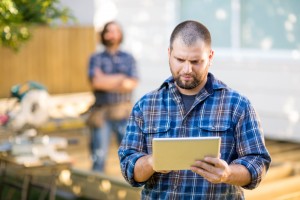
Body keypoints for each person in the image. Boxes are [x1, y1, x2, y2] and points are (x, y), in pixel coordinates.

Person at [118, 20, 271, 199]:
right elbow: (128, 167)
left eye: (196, 61)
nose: (187, 69)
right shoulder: (145, 106)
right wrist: (152, 162)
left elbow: (258, 163)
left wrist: (228, 173)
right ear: (169, 54)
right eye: (180, 60)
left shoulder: (237, 105)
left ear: (211, 57)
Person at [87, 21, 138, 172]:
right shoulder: (95, 58)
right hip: (101, 113)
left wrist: (106, 79)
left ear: (120, 35)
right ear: (103, 35)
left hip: (124, 114)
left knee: (130, 156)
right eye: (108, 31)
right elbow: (96, 83)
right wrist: (121, 78)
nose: (112, 34)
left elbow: (131, 83)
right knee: (98, 156)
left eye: (115, 31)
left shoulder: (129, 58)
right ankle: (93, 192)